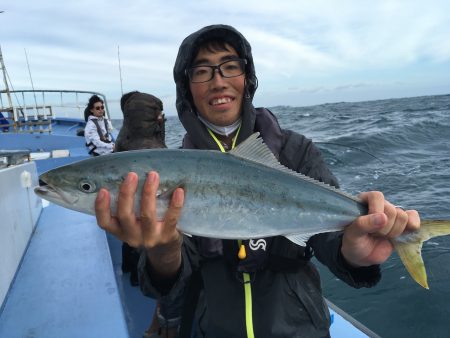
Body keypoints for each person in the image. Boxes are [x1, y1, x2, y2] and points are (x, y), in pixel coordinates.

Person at [95, 25, 421, 337]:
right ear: (187, 87)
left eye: (229, 66)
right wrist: (163, 251)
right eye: (202, 70)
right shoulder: (167, 173)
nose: (218, 80)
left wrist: (353, 252)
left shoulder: (296, 150)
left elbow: (329, 243)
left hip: (301, 330)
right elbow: (169, 283)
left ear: (247, 77)